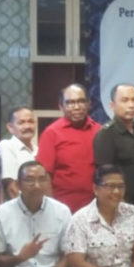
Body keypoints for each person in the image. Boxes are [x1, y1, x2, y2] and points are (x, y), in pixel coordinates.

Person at [36, 84, 101, 212]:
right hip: (63, 210)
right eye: (70, 103)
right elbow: (44, 175)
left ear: (89, 104)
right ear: (61, 106)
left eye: (81, 101)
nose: (76, 107)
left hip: (95, 208)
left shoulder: (99, 131)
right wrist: (52, 210)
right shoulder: (51, 133)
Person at [94, 84, 134, 211]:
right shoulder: (106, 134)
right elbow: (104, 176)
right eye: (125, 100)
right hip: (117, 205)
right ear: (112, 105)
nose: (131, 105)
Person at [0, 106, 38, 201]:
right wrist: (28, 208)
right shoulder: (6, 146)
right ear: (10, 127)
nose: (27, 126)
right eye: (21, 122)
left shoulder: (38, 150)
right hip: (19, 206)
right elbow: (11, 189)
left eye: (30, 122)